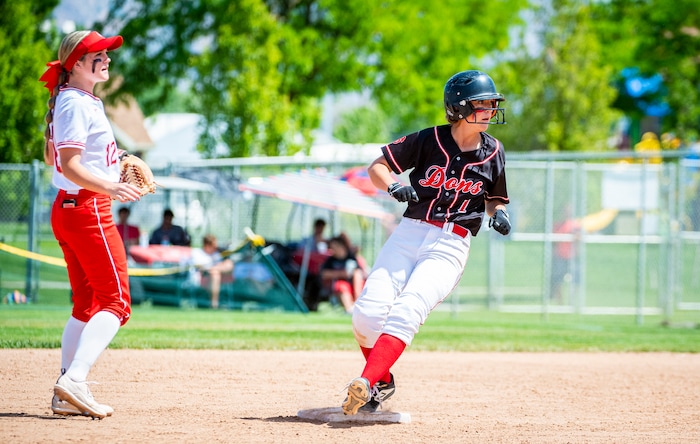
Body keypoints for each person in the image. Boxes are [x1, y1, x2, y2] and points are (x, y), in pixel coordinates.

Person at [341, 70, 512, 415]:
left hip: (452, 243)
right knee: (366, 314)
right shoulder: (428, 139)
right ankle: (380, 382)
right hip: (410, 232)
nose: (490, 110)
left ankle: (364, 382)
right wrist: (392, 185)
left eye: (492, 104)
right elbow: (378, 167)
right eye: (482, 103)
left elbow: (495, 197)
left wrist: (498, 213)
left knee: (407, 309)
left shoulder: (494, 152)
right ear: (458, 108)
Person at [40, 30, 140, 419]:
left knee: (86, 304)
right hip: (88, 211)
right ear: (77, 64)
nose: (107, 59)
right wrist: (111, 186)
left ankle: (66, 387)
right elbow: (69, 164)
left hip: (69, 210)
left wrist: (117, 161)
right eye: (98, 54)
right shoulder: (76, 104)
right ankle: (75, 379)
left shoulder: (74, 100)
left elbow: (56, 159)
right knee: (116, 303)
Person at [319, 236, 367, 314]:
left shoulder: (351, 258)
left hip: (355, 286)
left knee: (357, 275)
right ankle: (350, 310)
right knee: (341, 286)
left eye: (334, 247)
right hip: (341, 287)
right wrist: (341, 274)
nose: (331, 250)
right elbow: (324, 274)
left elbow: (358, 272)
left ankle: (358, 303)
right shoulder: (331, 260)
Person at [189, 234, 234, 309]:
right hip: (202, 277)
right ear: (207, 245)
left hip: (221, 276)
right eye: (214, 245)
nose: (216, 246)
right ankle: (214, 304)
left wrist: (216, 268)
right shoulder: (197, 253)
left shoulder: (217, 253)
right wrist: (215, 268)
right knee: (215, 274)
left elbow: (228, 266)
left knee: (227, 264)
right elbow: (201, 267)